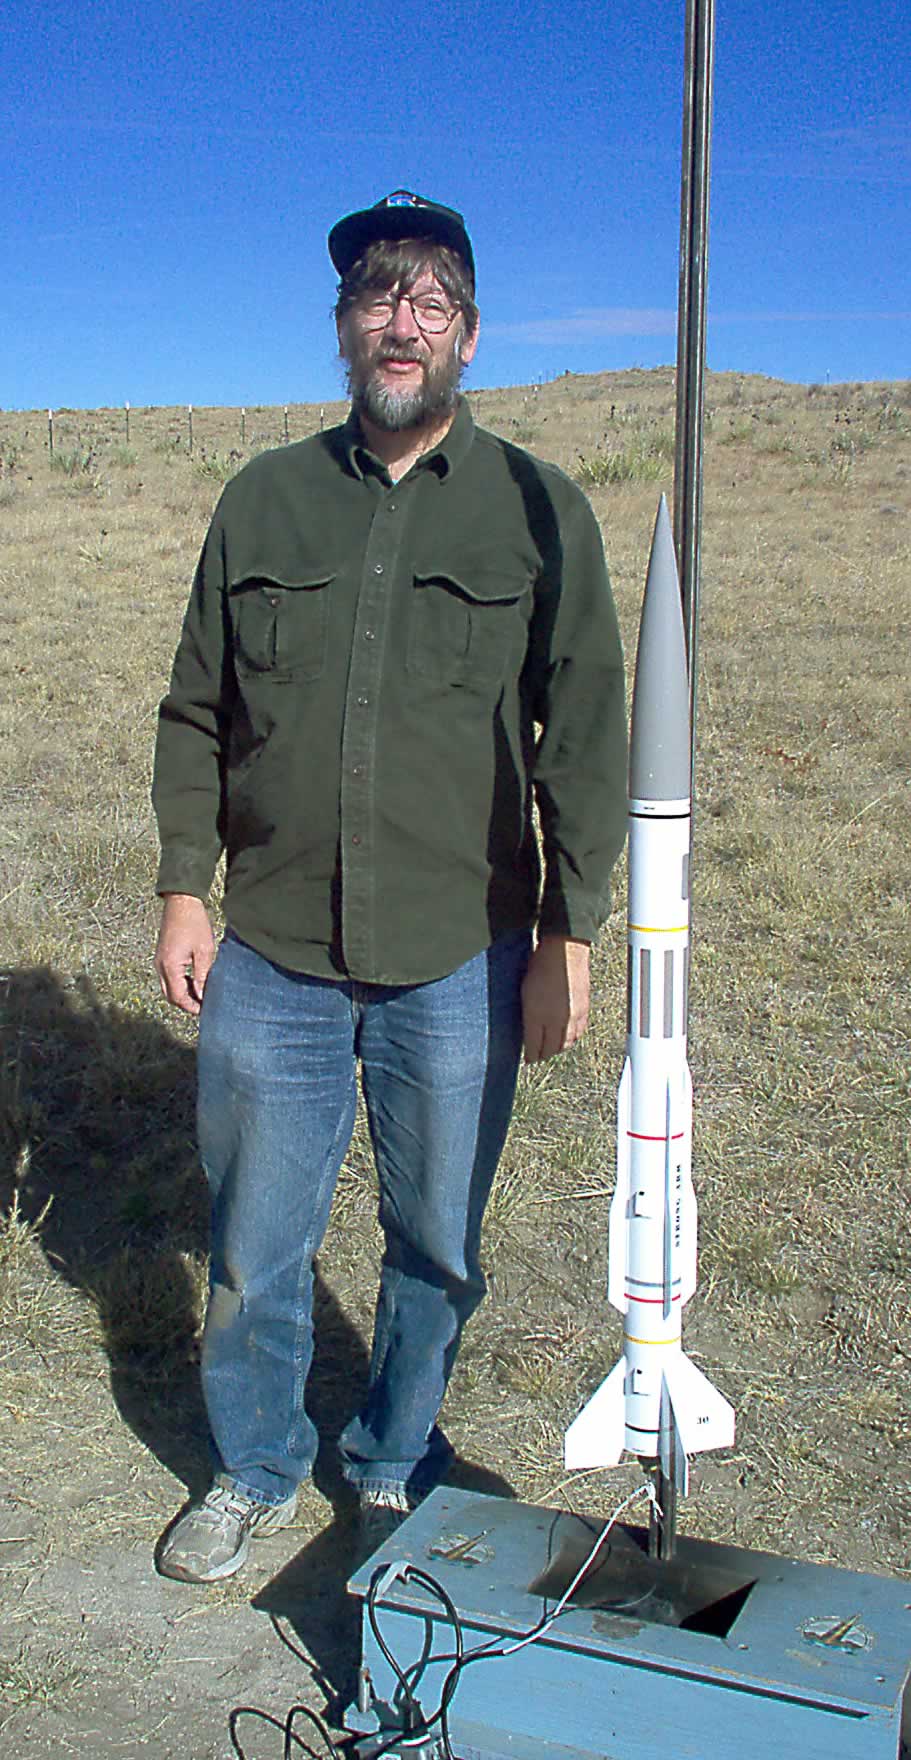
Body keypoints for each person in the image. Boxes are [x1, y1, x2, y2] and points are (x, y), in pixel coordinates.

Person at [151, 190, 627, 1583]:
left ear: (469, 334)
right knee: (255, 1245)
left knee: (435, 1242)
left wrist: (568, 931)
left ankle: (389, 1462)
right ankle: (253, 1466)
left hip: (459, 954)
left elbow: (584, 733)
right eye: (377, 297)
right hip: (274, 945)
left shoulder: (538, 507)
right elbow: (196, 708)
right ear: (345, 325)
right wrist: (185, 886)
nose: (400, 323)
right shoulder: (265, 497)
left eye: (430, 302)